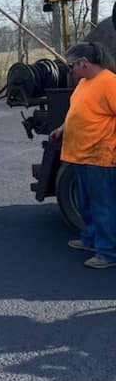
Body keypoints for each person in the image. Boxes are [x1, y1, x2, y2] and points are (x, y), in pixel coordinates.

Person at [49, 42, 116, 269]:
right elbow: (76, 112)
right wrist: (62, 128)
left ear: (84, 63)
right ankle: (90, 240)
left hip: (100, 156)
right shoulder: (84, 84)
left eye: (71, 66)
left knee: (103, 207)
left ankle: (108, 253)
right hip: (81, 155)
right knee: (86, 204)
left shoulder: (109, 83)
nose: (70, 71)